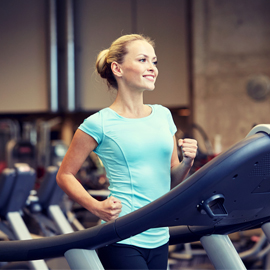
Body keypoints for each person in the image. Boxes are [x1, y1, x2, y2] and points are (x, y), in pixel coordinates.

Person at [56, 34, 197, 270]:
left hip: (159, 236)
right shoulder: (98, 123)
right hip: (120, 235)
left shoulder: (163, 115)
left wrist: (188, 162)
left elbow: (172, 177)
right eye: (143, 60)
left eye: (154, 61)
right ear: (117, 69)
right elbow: (64, 175)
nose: (152, 67)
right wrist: (95, 205)